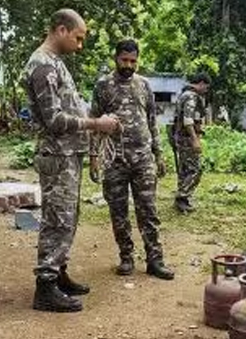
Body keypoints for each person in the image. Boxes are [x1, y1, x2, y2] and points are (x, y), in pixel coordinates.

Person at [23, 9, 120, 312]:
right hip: (56, 154)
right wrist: (96, 125)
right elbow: (53, 120)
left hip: (68, 154)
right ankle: (46, 287)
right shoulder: (42, 67)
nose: (80, 45)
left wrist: (96, 127)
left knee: (68, 218)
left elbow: (73, 109)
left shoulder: (56, 65)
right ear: (61, 30)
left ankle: (59, 272)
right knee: (57, 219)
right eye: (78, 38)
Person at [90, 39, 175, 280]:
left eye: (133, 61)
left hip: (143, 159)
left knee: (148, 210)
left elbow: (152, 121)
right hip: (114, 159)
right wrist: (94, 156)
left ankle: (155, 260)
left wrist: (159, 154)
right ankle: (126, 257)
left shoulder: (144, 85)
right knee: (118, 210)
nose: (129, 65)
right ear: (116, 58)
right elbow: (94, 123)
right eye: (124, 60)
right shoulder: (103, 85)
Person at [172, 73, 211, 213]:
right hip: (186, 137)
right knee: (195, 169)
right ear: (201, 83)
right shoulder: (191, 96)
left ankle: (182, 199)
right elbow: (188, 120)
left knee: (184, 169)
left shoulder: (184, 94)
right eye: (206, 87)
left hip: (180, 136)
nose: (206, 90)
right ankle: (182, 197)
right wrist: (195, 139)